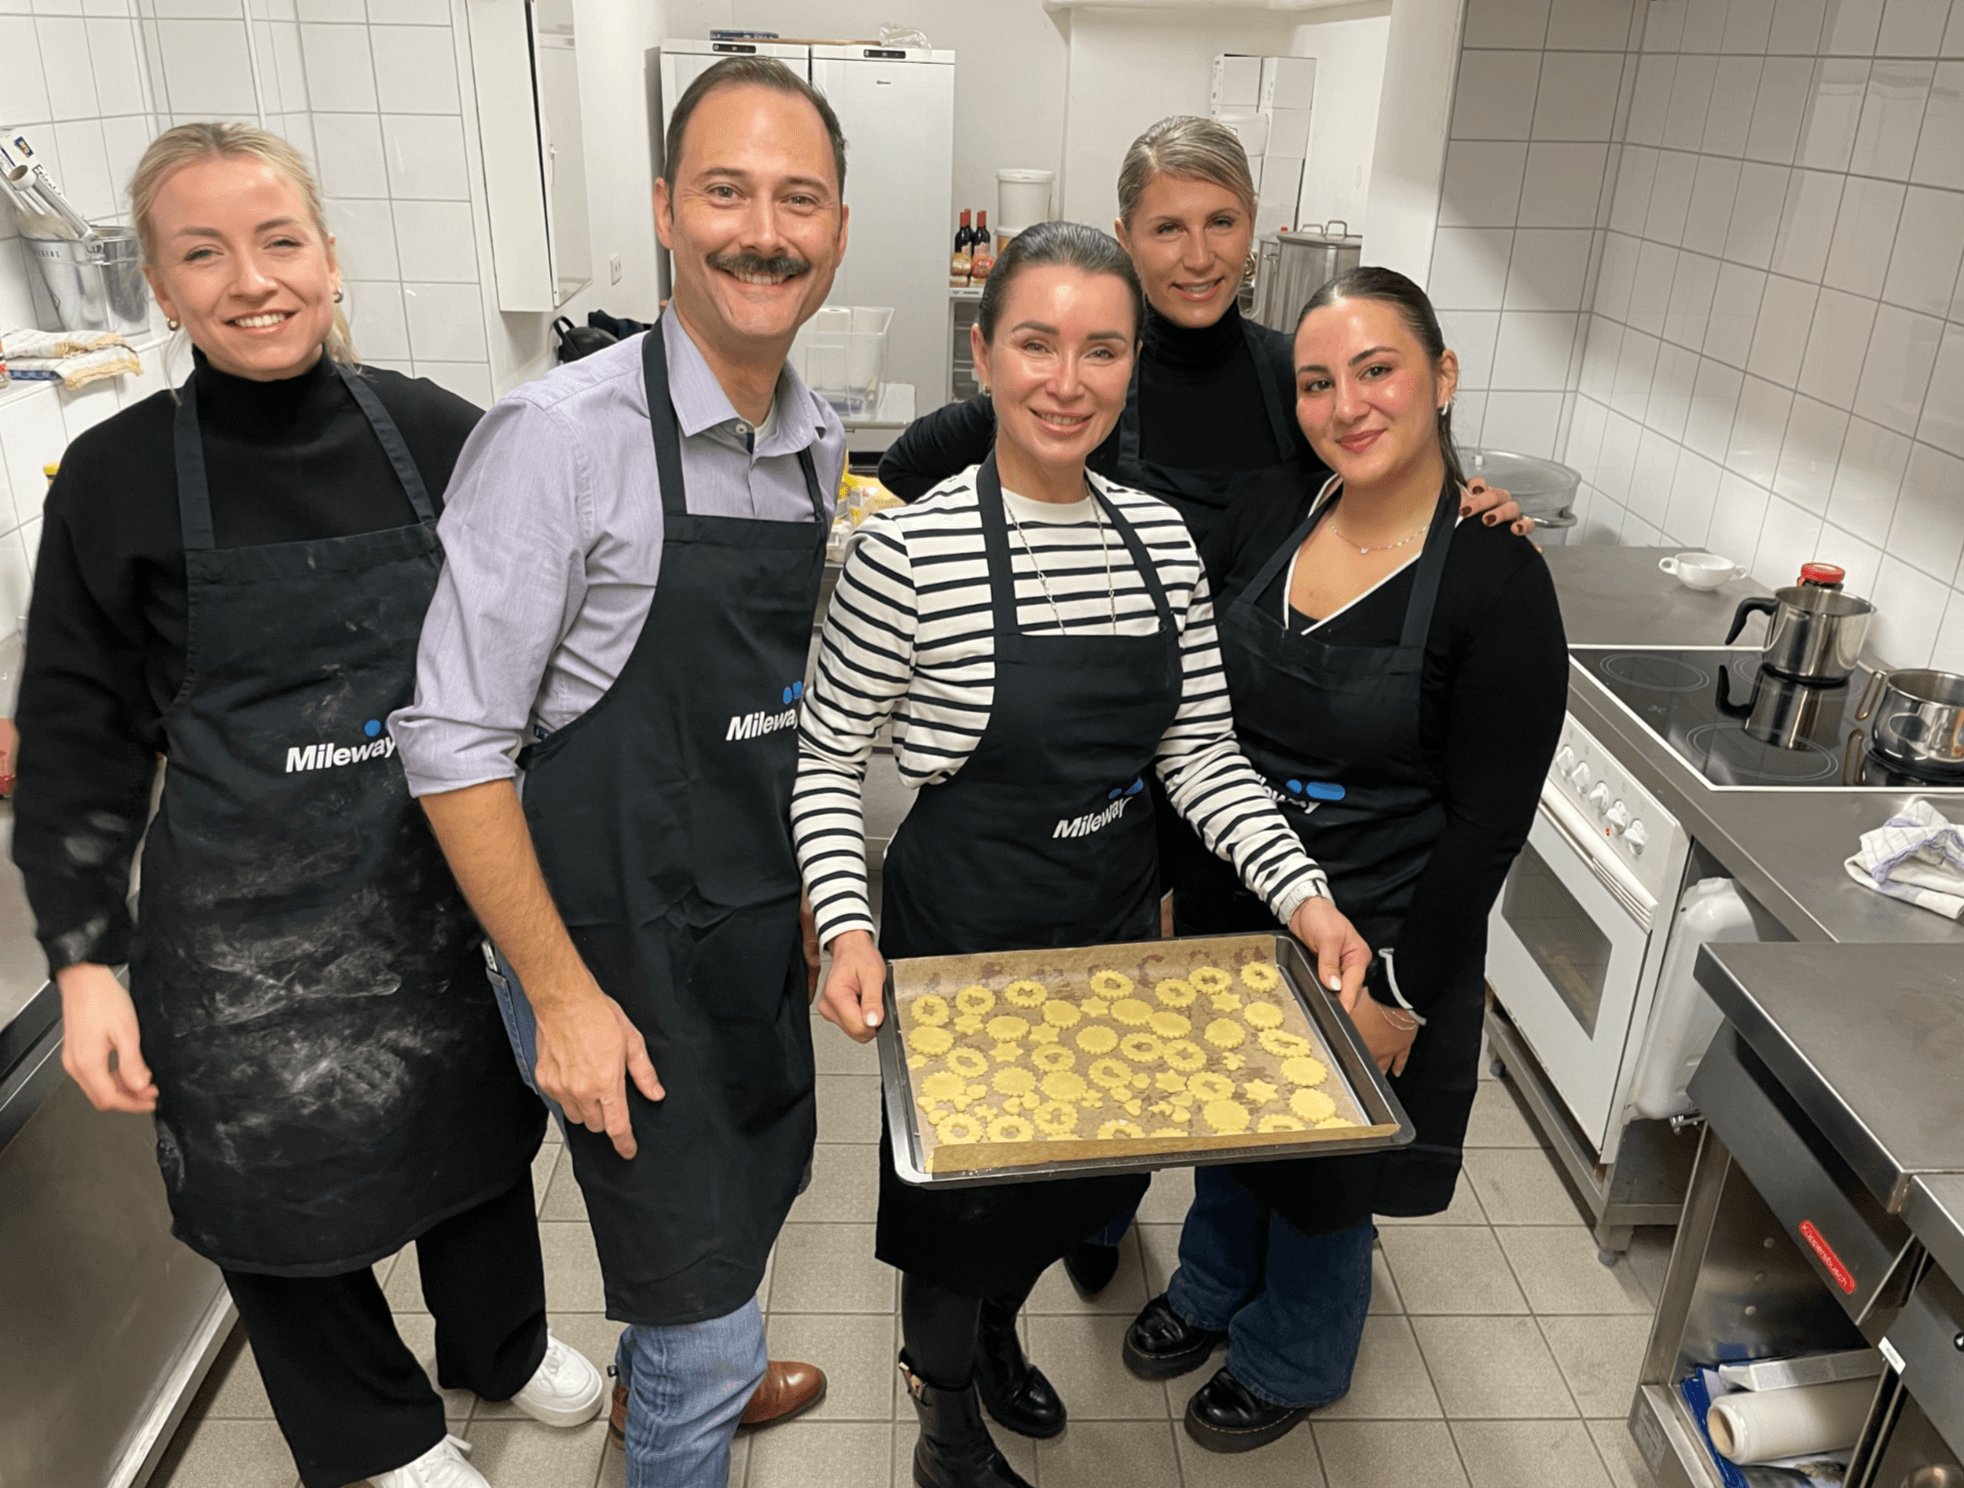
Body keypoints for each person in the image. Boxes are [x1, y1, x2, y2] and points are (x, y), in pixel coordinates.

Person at [12, 124, 603, 1488]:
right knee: (268, 1187)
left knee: (474, 1139)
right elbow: (76, 740)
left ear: (331, 261)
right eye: (202, 252)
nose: (251, 278)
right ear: (161, 288)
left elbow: (552, 634)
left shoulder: (439, 432)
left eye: (279, 241)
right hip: (244, 930)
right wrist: (86, 960)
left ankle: (501, 1347)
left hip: (437, 890)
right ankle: (380, 1439)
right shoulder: (115, 478)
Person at [794, 219, 1373, 1488]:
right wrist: (845, 925)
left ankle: (998, 1340)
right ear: (985, 354)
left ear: (1130, 366)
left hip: (1108, 928)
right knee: (953, 1228)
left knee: (1068, 1190)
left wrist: (1306, 897)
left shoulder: (1158, 541)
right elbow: (825, 759)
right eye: (1037, 344)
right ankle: (944, 1430)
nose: (1068, 380)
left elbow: (1201, 757)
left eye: (1101, 350)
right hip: (965, 944)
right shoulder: (908, 551)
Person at [391, 57, 851, 1488]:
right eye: (725, 191)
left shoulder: (814, 437)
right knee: (702, 1285)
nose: (760, 229)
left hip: (741, 930)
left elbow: (778, 707)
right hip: (613, 961)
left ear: (836, 227)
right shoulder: (560, 441)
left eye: (797, 197)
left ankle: (680, 1371)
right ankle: (692, 1396)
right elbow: (453, 745)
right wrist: (561, 998)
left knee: (742, 1212)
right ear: (665, 209)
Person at [1122, 267, 1567, 1453]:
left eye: (1377, 370)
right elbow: (1197, 720)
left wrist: (1404, 993)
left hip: (1377, 922)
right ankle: (1212, 1288)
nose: (1347, 403)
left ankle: (1294, 1353)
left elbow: (1487, 826)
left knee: (1325, 1168)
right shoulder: (1276, 513)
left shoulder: (1493, 576)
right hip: (1234, 883)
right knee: (1229, 1120)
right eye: (1317, 381)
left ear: (1440, 378)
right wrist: (1173, 880)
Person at [877, 115, 1530, 549]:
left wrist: (1472, 508)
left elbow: (1396, 507)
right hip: (1107, 725)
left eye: (1221, 222)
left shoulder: (1296, 375)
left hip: (1256, 732)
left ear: (1250, 227)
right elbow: (909, 469)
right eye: (1168, 229)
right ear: (1126, 239)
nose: (1199, 257)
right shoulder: (1093, 380)